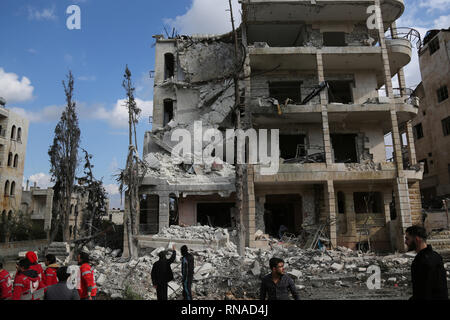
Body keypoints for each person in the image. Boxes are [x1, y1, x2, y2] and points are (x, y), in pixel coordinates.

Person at [405, 225, 448, 300]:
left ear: (417, 239)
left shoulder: (422, 261)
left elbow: (424, 291)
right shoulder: (436, 256)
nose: (405, 242)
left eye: (407, 239)